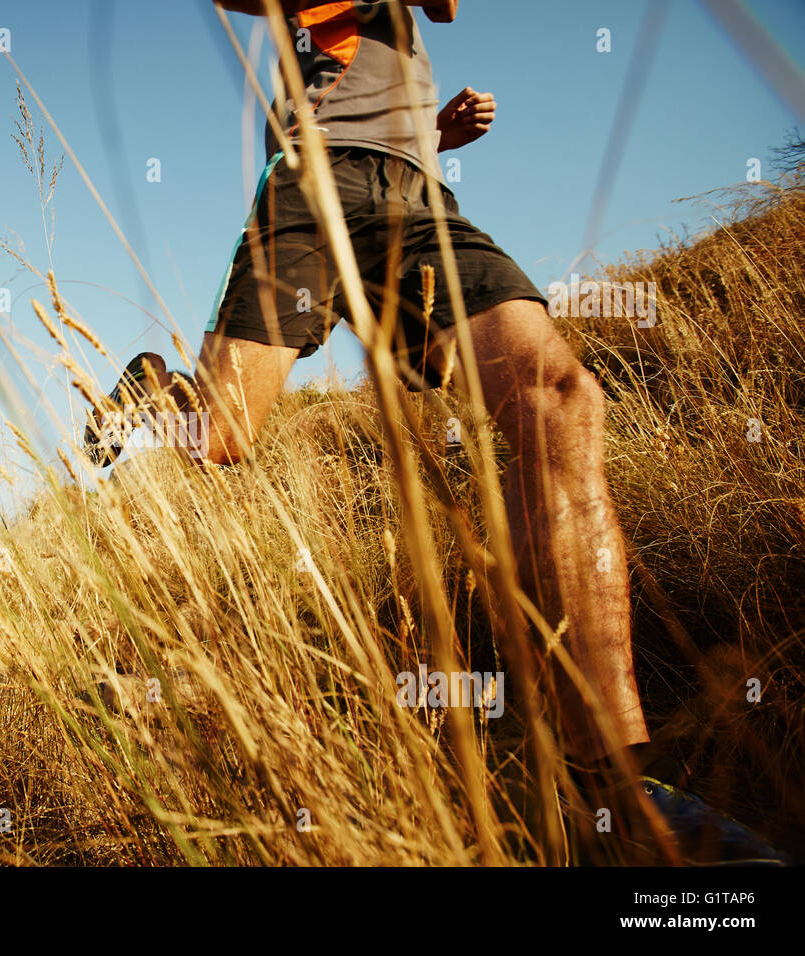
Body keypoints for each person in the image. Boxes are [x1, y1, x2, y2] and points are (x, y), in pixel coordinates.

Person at [84, 0, 787, 864]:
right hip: (312, 188)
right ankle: (157, 393)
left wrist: (434, 133)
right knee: (226, 435)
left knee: (561, 399)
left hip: (420, 199)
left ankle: (611, 794)